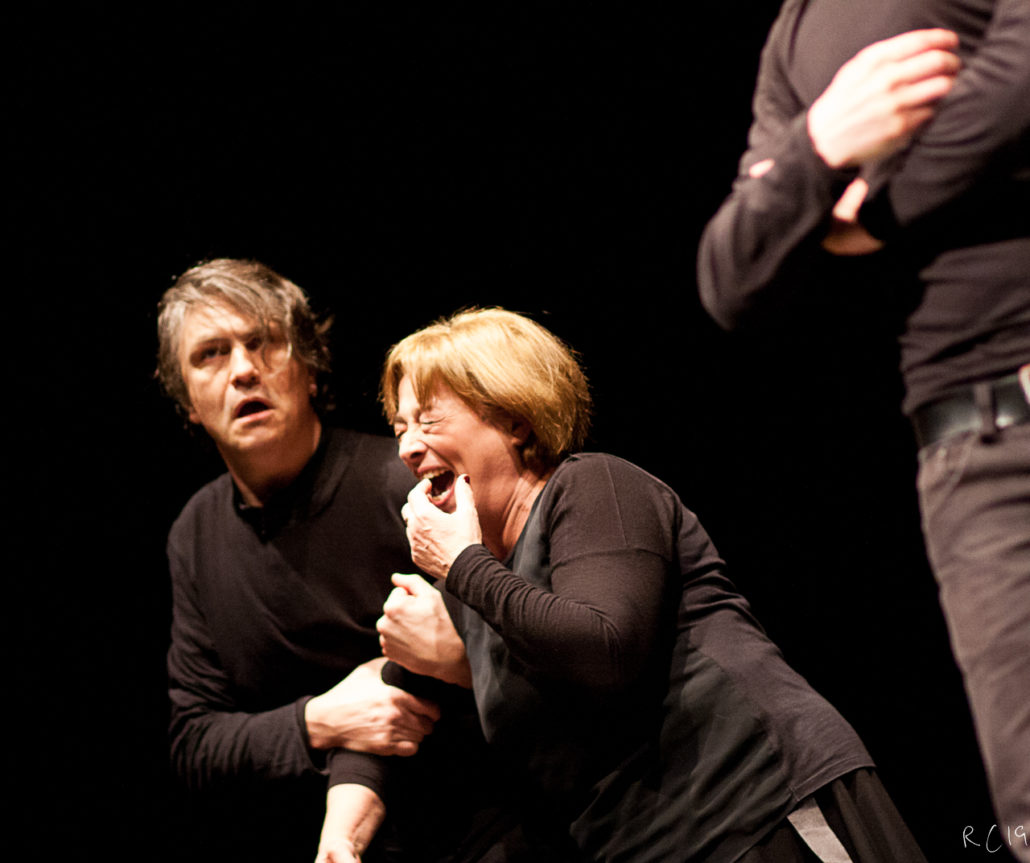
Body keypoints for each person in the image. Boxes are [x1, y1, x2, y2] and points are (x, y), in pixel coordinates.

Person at [325, 306, 930, 862]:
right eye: (399, 427)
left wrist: (462, 564)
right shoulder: (475, 588)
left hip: (760, 808)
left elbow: (604, 649)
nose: (408, 448)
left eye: (429, 420)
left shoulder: (593, 488)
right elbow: (383, 703)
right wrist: (339, 839)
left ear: (514, 420)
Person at [696, 1, 1029, 851]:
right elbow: (732, 272)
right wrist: (819, 144)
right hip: (972, 459)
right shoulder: (795, 33)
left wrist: (869, 210)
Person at [156, 260, 518, 863]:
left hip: (483, 832)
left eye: (263, 343)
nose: (243, 370)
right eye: (211, 354)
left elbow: (529, 652)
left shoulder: (406, 482)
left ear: (309, 367)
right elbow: (196, 743)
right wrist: (320, 720)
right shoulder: (194, 533)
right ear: (187, 400)